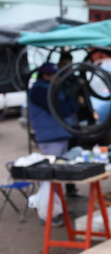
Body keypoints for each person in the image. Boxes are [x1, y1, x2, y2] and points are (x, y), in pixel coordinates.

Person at [28, 63, 80, 197]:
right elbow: (63, 109)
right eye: (55, 75)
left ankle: (57, 207)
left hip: (60, 135)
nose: (58, 78)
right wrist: (71, 103)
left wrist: (71, 103)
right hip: (50, 139)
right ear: (46, 75)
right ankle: (50, 212)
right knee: (51, 178)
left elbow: (71, 105)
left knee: (61, 173)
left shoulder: (52, 88)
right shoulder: (39, 90)